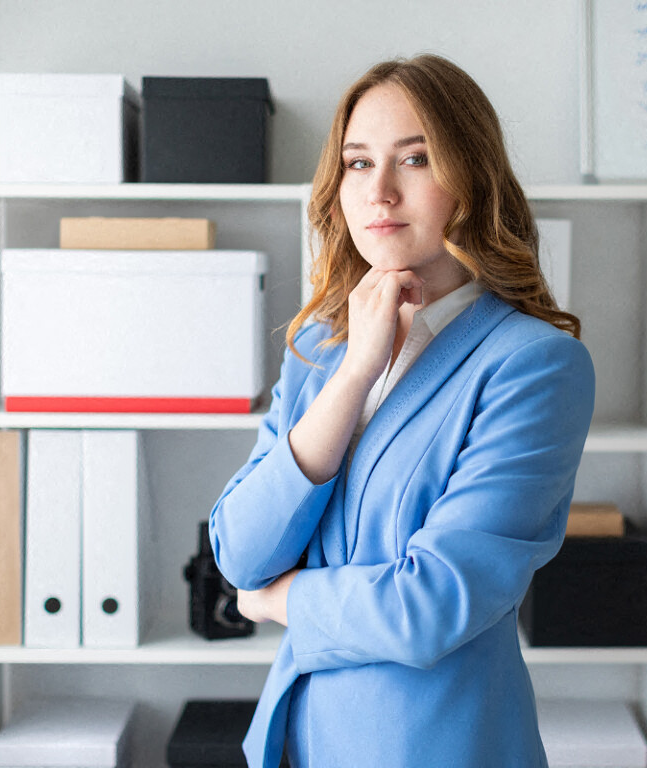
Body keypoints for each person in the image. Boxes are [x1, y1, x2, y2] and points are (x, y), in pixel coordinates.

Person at [208, 53, 595, 768]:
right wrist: (356, 370)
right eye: (358, 163)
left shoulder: (534, 366)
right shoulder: (320, 347)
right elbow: (239, 550)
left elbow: (430, 605)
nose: (379, 191)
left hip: (434, 743)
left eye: (414, 159)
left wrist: (275, 603)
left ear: (471, 180)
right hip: (298, 737)